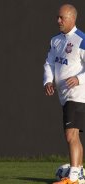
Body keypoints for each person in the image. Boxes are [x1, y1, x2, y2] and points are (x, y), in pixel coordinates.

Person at [43, 4, 85, 184]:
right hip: (64, 96)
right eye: (58, 17)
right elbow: (49, 63)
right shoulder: (56, 40)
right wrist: (48, 81)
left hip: (78, 94)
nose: (58, 21)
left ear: (72, 18)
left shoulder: (82, 40)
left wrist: (79, 79)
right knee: (72, 135)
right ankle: (78, 174)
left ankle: (74, 177)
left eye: (62, 18)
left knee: (71, 135)